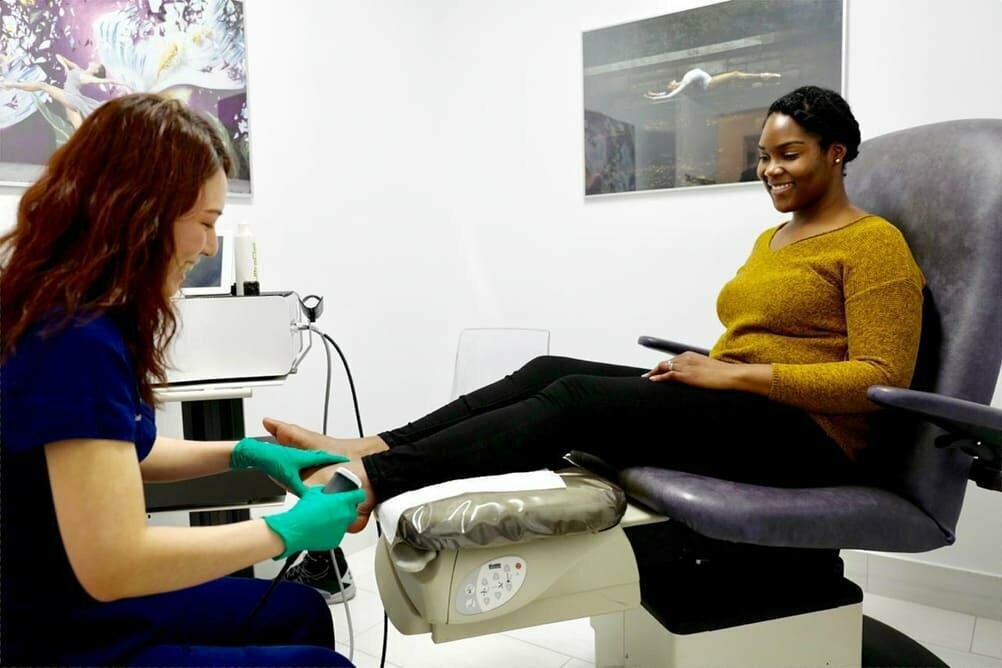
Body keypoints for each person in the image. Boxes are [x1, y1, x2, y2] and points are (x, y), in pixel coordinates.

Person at [265, 86, 925, 535]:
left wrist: (735, 376)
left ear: (836, 153)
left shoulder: (874, 244)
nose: (770, 170)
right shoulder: (774, 238)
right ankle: (368, 444)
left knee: (576, 398)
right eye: (763, 156)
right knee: (546, 367)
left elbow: (879, 381)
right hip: (747, 408)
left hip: (814, 437)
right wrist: (717, 373)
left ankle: (373, 479)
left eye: (789, 154)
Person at [0, 94, 366, 666]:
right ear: (139, 212)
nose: (211, 246)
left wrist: (244, 452)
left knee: (302, 611)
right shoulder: (75, 340)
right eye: (205, 222)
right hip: (65, 634)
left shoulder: (76, 311)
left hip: (71, 598)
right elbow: (115, 562)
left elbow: (112, 454)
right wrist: (285, 532)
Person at [0, 53, 129, 129]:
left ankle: (11, 85)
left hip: (71, 98)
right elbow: (59, 56)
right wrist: (65, 66)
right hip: (73, 102)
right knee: (80, 131)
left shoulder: (86, 76)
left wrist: (118, 82)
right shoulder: (78, 69)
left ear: (96, 71)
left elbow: (101, 81)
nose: (94, 63)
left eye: (96, 65)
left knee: (42, 85)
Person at [644, 67, 781, 100]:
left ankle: (763, 76)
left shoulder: (681, 81)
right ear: (673, 86)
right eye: (671, 83)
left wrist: (655, 94)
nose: (672, 82)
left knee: (735, 74)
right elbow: (670, 95)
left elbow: (667, 92)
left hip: (708, 80)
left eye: (671, 82)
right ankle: (763, 76)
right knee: (734, 74)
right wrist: (655, 98)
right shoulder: (685, 82)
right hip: (708, 84)